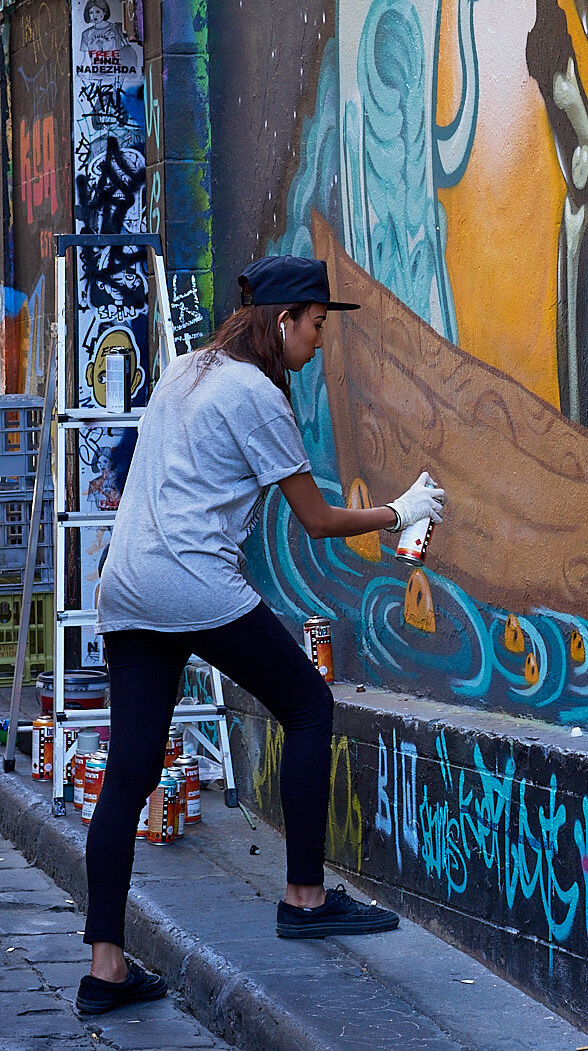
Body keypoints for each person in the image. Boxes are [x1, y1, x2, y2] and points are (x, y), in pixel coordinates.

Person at [76, 254, 446, 1017]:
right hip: (191, 581)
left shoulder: (185, 370)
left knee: (129, 770)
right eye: (314, 327)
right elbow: (315, 521)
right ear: (282, 321)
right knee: (309, 706)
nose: (318, 344)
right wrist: (399, 512)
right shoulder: (255, 395)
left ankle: (104, 970)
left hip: (127, 584)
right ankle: (305, 897)